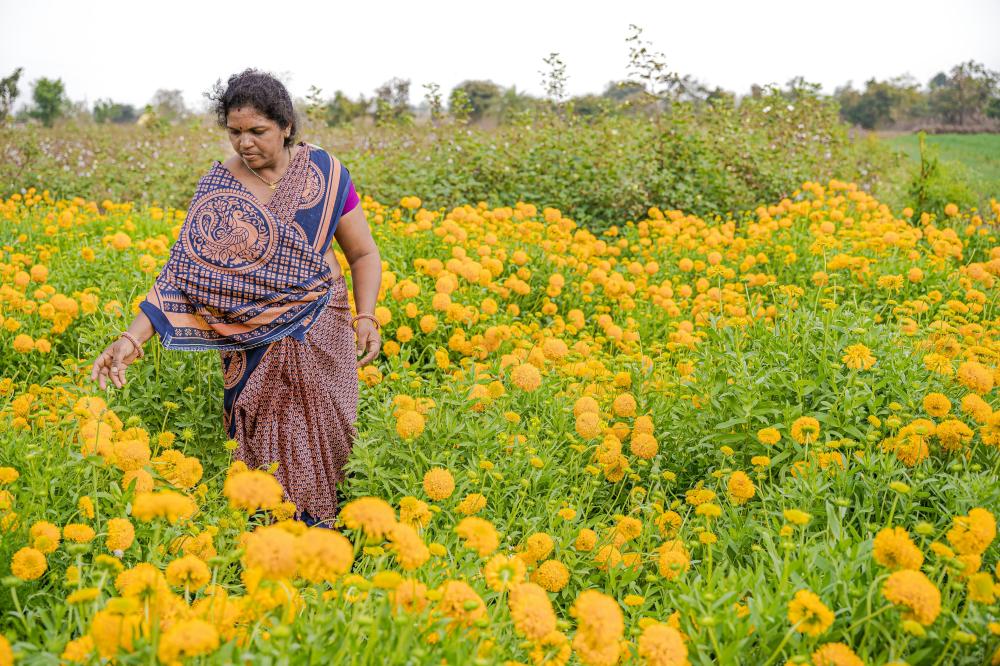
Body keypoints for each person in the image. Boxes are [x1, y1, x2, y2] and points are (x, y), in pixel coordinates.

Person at [89, 69, 383, 528]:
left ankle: (331, 544)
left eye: (257, 131)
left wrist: (367, 316)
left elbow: (363, 253)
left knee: (330, 444)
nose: (245, 143)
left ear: (286, 126)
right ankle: (270, 542)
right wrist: (131, 337)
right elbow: (182, 273)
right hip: (253, 344)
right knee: (266, 453)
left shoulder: (327, 174)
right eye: (234, 132)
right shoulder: (220, 188)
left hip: (325, 330)